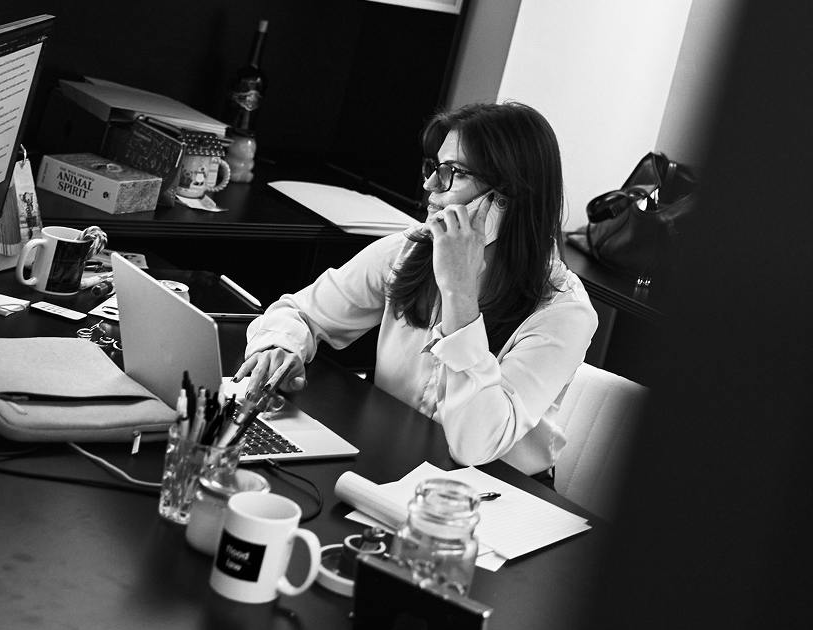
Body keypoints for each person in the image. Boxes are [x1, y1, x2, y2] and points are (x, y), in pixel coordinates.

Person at [235, 101, 598, 475]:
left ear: (502, 201)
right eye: (434, 169)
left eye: (452, 173)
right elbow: (299, 312)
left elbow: (474, 445)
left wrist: (459, 293)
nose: (430, 185)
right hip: (394, 459)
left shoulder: (564, 313)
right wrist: (281, 347)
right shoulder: (411, 250)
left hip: (493, 496)